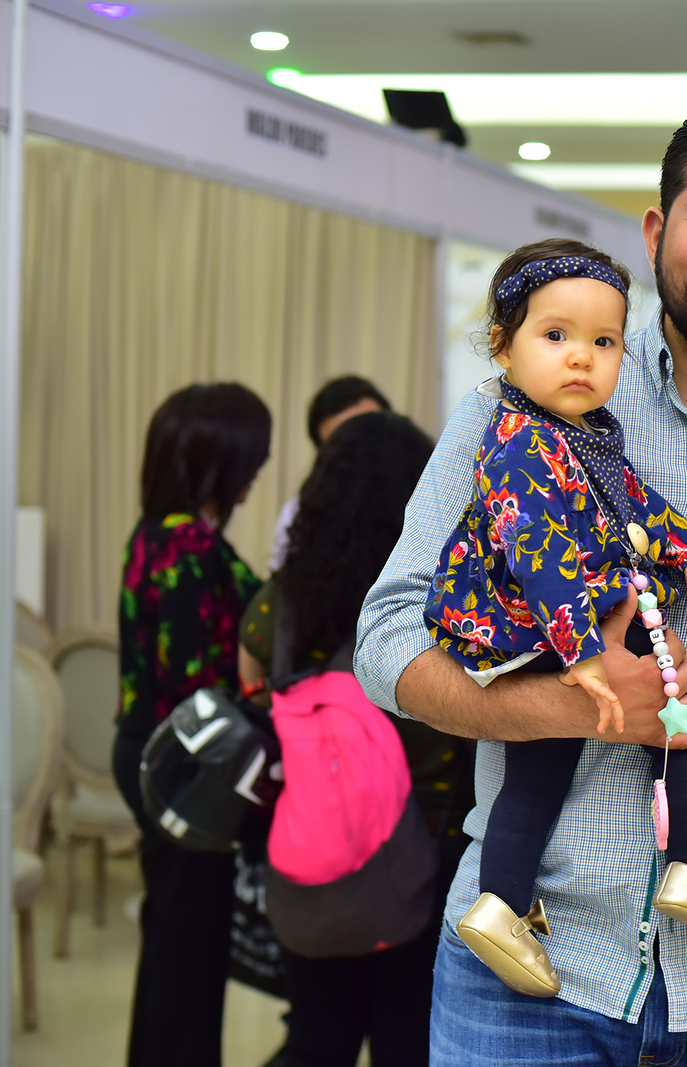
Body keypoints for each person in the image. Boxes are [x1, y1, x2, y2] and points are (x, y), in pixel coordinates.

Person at [357, 89, 687, 1064]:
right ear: (656, 231)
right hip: (529, 981)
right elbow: (387, 638)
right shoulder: (526, 395)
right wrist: (569, 703)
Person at [421, 239, 687, 999]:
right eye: (555, 335)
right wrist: (582, 654)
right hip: (555, 623)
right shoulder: (522, 445)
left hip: (557, 623)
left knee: (537, 775)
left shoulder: (582, 435)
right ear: (502, 347)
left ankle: (501, 904)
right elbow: (540, 556)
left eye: (604, 342)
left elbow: (636, 503)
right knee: (686, 716)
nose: (582, 357)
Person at [237, 410, 473, 1067]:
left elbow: (253, 690)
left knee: (318, 1037)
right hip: (426, 849)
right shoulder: (438, 605)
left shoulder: (279, 604)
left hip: (316, 848)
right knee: (409, 1039)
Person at [112, 382, 271, 1067]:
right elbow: (192, 689)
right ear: (218, 459)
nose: (258, 469)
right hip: (186, 767)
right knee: (190, 955)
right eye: (252, 456)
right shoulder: (191, 548)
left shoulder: (156, 532)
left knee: (171, 942)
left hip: (149, 751)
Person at [269, 375, 390, 571]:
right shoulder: (300, 516)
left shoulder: (431, 499)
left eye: (371, 435)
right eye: (345, 447)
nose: (362, 455)